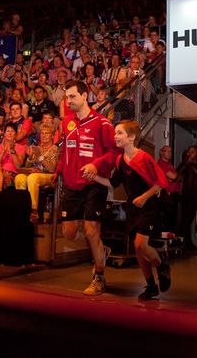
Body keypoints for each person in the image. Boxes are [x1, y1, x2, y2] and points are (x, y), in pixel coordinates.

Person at [91, 120, 171, 300]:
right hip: (133, 207)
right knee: (138, 250)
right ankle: (151, 286)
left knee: (140, 245)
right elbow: (112, 183)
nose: (115, 137)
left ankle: (161, 264)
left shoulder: (144, 157)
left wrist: (144, 197)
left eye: (119, 133)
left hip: (149, 206)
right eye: (115, 133)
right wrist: (94, 176)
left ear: (132, 137)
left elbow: (160, 183)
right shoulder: (120, 160)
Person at [53, 79, 120, 296]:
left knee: (92, 230)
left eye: (72, 96)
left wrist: (96, 164)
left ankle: (99, 276)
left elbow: (113, 153)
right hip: (71, 185)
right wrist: (58, 171)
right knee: (69, 233)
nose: (68, 101)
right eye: (66, 97)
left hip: (94, 185)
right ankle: (101, 249)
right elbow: (65, 152)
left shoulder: (102, 123)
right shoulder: (66, 124)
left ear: (84, 96)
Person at [14, 122, 60, 222]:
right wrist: (30, 157)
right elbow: (27, 166)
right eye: (42, 133)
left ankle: (33, 211)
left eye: (47, 133)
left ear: (52, 135)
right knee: (19, 177)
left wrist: (40, 157)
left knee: (32, 178)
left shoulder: (55, 149)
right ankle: (22, 208)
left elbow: (52, 168)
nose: (44, 135)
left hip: (50, 176)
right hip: (34, 174)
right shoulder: (36, 148)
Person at [0, 122, 25, 192]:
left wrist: (12, 150)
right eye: (8, 131)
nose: (10, 133)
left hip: (13, 174)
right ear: (4, 133)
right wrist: (3, 151)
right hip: (0, 172)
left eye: (12, 131)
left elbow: (18, 166)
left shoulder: (21, 147)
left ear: (16, 134)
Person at [156, 145, 181, 233]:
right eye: (167, 151)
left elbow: (176, 177)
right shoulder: (161, 164)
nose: (170, 153)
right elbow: (174, 176)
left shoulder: (169, 164)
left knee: (173, 221)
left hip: (173, 196)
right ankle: (166, 244)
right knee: (167, 222)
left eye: (170, 151)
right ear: (162, 152)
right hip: (167, 196)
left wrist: (175, 177)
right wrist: (175, 177)